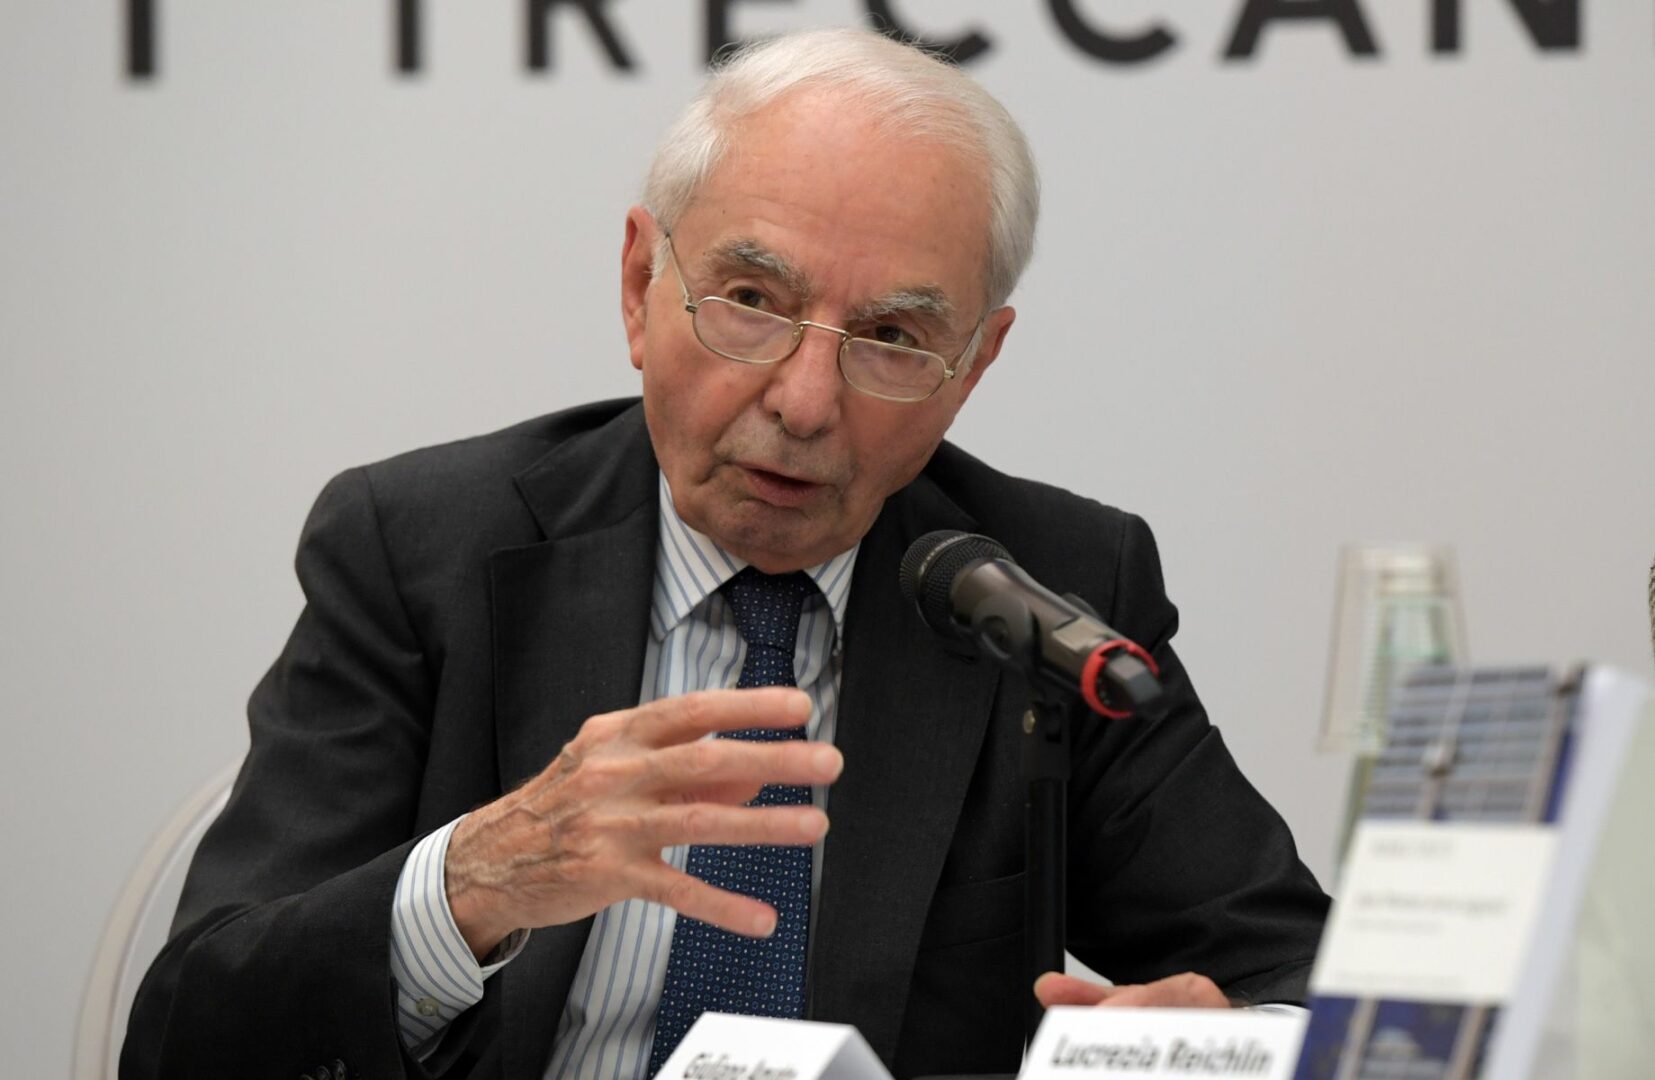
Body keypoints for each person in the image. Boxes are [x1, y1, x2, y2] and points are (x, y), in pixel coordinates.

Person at [122, 27, 1327, 1080]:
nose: (804, 403)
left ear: (974, 364)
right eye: (750, 300)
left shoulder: (1042, 594)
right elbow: (189, 1037)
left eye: (892, 336)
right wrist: (476, 882)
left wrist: (1228, 1045)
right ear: (639, 285)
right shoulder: (420, 549)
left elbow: (1311, 980)